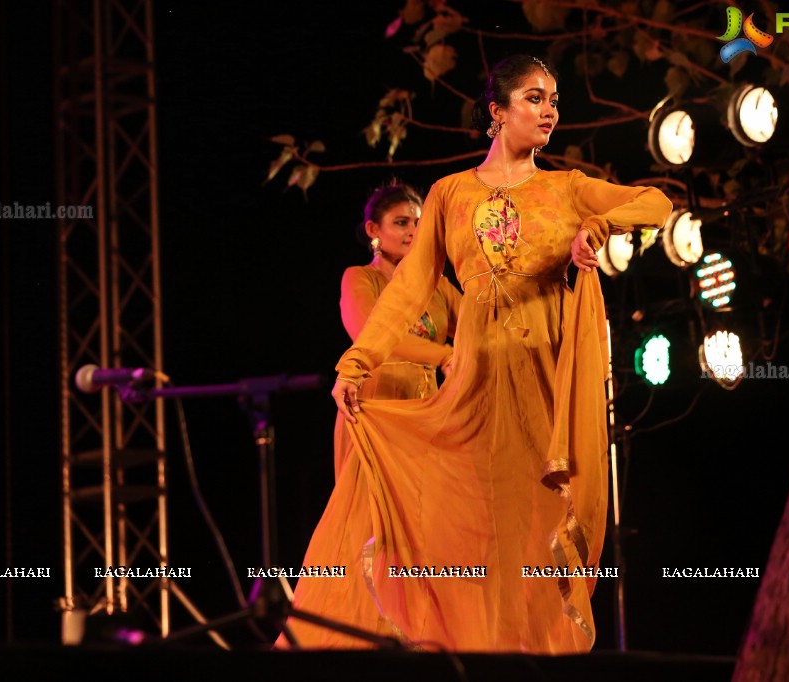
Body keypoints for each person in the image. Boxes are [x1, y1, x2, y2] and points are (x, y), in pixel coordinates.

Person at [277, 54, 672, 653]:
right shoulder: (450, 194)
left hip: (543, 388)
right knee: (468, 533)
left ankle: (529, 658)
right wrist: (356, 363)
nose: (550, 110)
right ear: (497, 111)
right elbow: (408, 290)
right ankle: (469, 655)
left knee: (535, 532)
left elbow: (654, 203)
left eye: (554, 100)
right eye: (535, 98)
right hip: (474, 390)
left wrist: (593, 229)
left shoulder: (566, 188)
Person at [333, 183, 461, 480]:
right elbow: (370, 335)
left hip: (426, 410)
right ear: (373, 229)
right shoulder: (359, 278)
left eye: (418, 223)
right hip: (375, 409)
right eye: (401, 223)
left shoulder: (437, 285)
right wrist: (444, 355)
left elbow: (478, 325)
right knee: (375, 518)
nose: (413, 232)